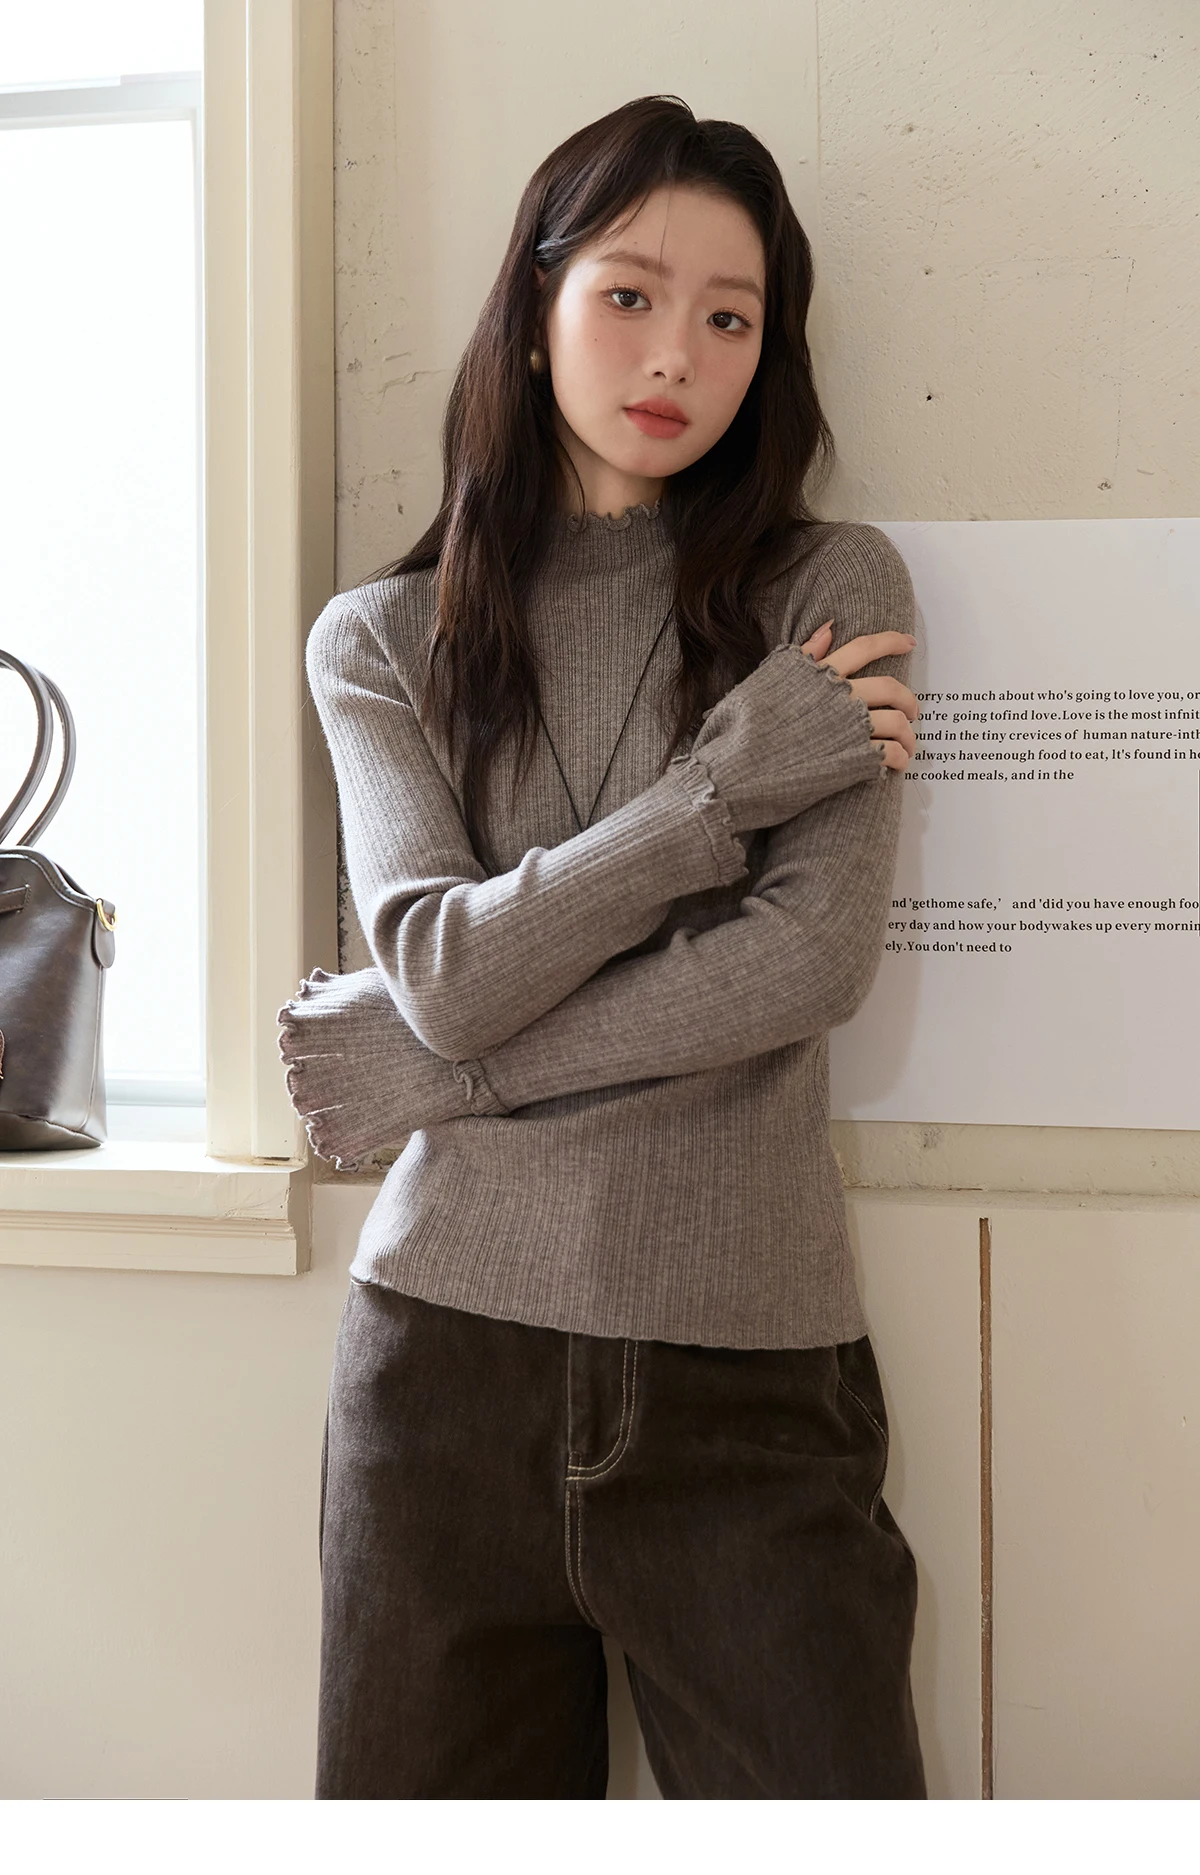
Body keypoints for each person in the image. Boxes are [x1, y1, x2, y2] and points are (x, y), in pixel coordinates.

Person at [278, 95, 926, 1800]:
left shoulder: (828, 592)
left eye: (731, 315)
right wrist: (719, 790)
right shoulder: (379, 639)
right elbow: (444, 964)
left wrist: (442, 1075)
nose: (677, 353)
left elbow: (809, 963)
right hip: (439, 1373)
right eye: (630, 293)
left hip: (749, 1372)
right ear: (535, 304)